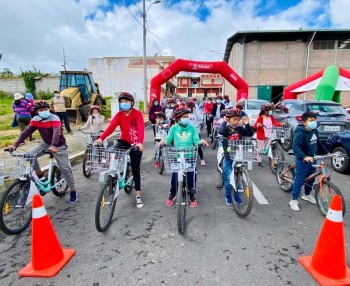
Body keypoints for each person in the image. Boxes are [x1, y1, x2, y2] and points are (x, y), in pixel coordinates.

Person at [9, 100, 78, 203]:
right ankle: (41, 177)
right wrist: (15, 144)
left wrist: (54, 145)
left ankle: (73, 190)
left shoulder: (54, 118)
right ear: (37, 111)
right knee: (29, 156)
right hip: (46, 143)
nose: (44, 111)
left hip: (59, 144)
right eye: (41, 110)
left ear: (49, 109)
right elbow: (26, 132)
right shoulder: (36, 120)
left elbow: (56, 133)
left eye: (46, 109)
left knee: (65, 168)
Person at [94, 92, 145, 208]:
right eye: (122, 102)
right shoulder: (119, 115)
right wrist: (101, 138)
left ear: (132, 103)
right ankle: (112, 181)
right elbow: (111, 127)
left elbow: (141, 128)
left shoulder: (137, 114)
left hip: (135, 143)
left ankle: (138, 195)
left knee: (136, 169)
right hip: (124, 141)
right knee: (113, 155)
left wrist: (140, 143)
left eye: (126, 101)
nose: (124, 104)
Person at [160, 107, 209, 208]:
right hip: (177, 156)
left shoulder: (192, 128)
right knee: (174, 176)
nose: (186, 118)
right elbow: (168, 140)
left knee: (192, 177)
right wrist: (163, 141)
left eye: (187, 116)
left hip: (190, 156)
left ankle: (192, 196)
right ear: (178, 118)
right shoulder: (174, 128)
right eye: (184, 117)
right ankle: (172, 194)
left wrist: (201, 141)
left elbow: (196, 140)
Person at [289, 112, 328, 212]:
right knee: (300, 179)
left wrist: (326, 152)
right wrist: (304, 156)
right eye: (311, 120)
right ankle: (293, 200)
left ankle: (307, 195)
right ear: (304, 122)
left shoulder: (314, 130)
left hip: (313, 158)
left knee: (311, 177)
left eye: (315, 120)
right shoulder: (300, 132)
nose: (314, 122)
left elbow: (318, 142)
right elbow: (295, 147)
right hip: (303, 159)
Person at [219, 108, 254, 205]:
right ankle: (228, 196)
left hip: (238, 155)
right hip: (228, 156)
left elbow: (250, 134)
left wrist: (247, 124)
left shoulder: (240, 129)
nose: (236, 121)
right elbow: (221, 131)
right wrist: (224, 122)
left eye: (238, 119)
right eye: (234, 119)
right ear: (228, 119)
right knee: (228, 177)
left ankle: (237, 195)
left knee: (238, 178)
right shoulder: (226, 128)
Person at [253, 103, 282, 168]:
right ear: (264, 111)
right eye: (268, 110)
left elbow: (275, 123)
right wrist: (258, 125)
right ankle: (259, 162)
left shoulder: (271, 117)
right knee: (260, 149)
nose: (269, 111)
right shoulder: (260, 117)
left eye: (270, 110)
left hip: (269, 135)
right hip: (261, 136)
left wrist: (280, 124)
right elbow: (255, 125)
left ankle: (274, 162)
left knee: (270, 148)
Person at [187, 100, 206, 166]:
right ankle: (190, 159)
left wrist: (195, 111)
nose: (191, 108)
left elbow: (201, 119)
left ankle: (202, 159)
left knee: (198, 146)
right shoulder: (186, 113)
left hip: (196, 131)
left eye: (192, 107)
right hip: (188, 132)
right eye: (189, 107)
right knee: (189, 145)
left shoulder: (197, 112)